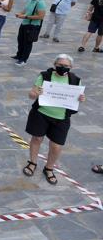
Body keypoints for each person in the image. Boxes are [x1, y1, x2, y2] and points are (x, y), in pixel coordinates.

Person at [22, 54, 85, 185]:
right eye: (60, 65)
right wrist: (35, 93)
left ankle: (49, 168)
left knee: (56, 146)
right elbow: (31, 94)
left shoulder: (75, 80)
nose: (62, 68)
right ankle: (32, 162)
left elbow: (78, 97)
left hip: (62, 118)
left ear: (71, 67)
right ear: (55, 64)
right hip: (41, 114)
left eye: (66, 66)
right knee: (37, 138)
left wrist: (81, 99)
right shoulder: (45, 76)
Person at [13, 0, 46, 66]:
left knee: (27, 43)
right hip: (24, 24)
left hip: (32, 26)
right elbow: (25, 9)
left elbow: (41, 16)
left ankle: (23, 60)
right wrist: (20, 13)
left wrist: (26, 17)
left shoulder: (40, 3)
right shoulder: (31, 0)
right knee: (20, 40)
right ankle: (19, 55)